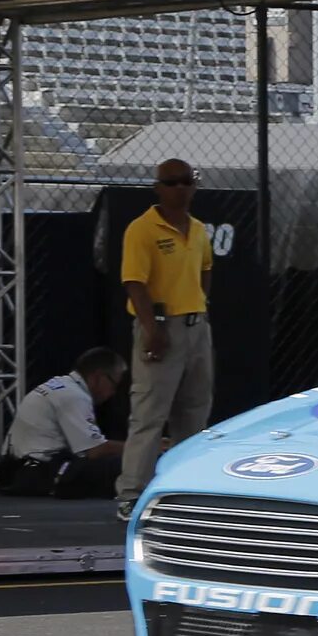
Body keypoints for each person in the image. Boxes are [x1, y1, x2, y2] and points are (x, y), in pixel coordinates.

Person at [117, 159, 215, 513]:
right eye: (172, 183)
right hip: (161, 326)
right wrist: (152, 328)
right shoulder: (142, 229)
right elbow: (134, 282)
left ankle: (185, 491)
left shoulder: (200, 229)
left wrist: (200, 306)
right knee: (149, 414)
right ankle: (131, 495)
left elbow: (206, 269)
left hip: (196, 326)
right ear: (157, 187)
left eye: (187, 182)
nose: (181, 189)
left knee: (194, 413)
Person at [3, 346, 125, 501]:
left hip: (22, 468)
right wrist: (142, 448)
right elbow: (94, 451)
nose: (113, 393)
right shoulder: (75, 396)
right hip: (43, 472)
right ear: (98, 377)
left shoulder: (60, 386)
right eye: (114, 385)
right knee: (130, 465)